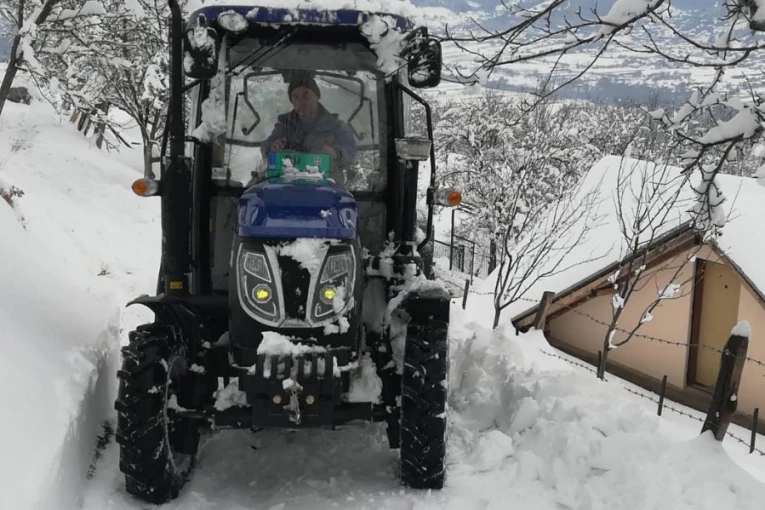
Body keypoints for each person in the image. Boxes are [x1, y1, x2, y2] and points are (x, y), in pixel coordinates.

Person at [261, 75, 358, 171]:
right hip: (287, 176)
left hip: (326, 177)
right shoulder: (285, 124)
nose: (301, 102)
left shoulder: (336, 126)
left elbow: (351, 150)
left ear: (317, 96)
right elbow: (266, 146)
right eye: (295, 97)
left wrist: (336, 153)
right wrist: (273, 147)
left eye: (306, 95)